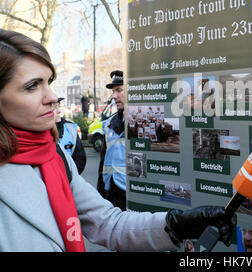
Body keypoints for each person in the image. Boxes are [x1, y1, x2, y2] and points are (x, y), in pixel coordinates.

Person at [0, 29, 235, 252]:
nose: (52, 98)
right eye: (32, 86)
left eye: (49, 82)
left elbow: (109, 224)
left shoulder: (55, 155)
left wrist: (176, 224)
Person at [97, 70, 127, 210]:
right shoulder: (109, 124)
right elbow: (103, 163)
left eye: (119, 90)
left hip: (131, 194)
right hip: (111, 192)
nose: (114, 96)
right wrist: (101, 194)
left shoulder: (142, 122)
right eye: (113, 91)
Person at [55, 97, 86, 174]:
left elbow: (80, 158)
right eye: (54, 107)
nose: (59, 111)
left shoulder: (70, 128)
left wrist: (70, 177)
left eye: (58, 106)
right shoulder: (39, 130)